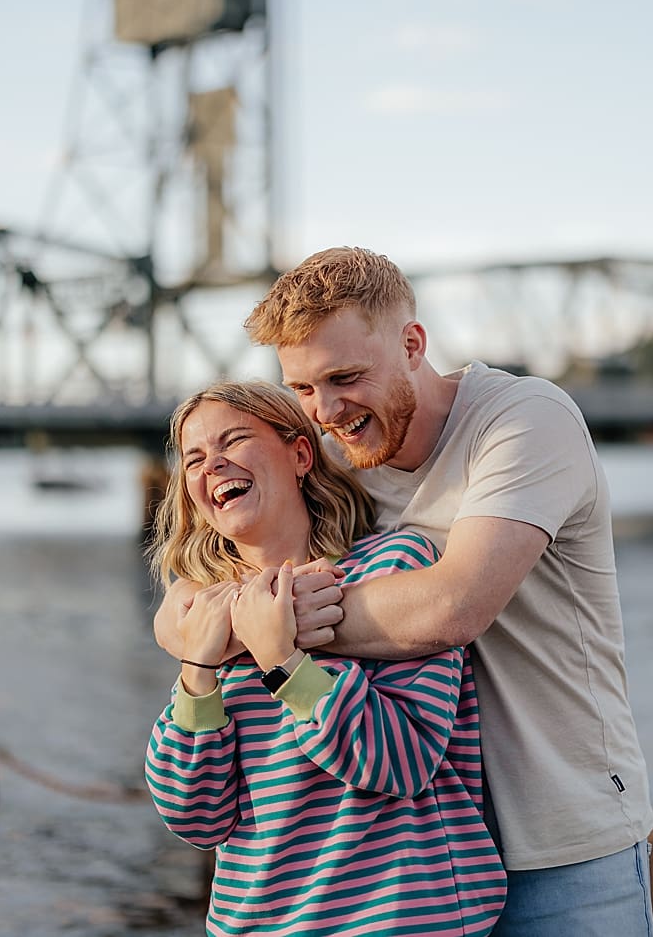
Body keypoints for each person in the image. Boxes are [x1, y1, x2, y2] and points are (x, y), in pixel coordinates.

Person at [156, 249, 653, 937]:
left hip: (561, 838)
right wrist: (208, 632)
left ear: (413, 345)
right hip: (423, 852)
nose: (326, 411)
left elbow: (453, 605)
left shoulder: (522, 421)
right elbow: (186, 603)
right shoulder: (343, 452)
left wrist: (269, 628)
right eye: (302, 388)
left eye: (345, 377)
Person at [145, 377, 505, 937]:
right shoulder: (209, 616)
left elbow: (404, 762)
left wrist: (283, 658)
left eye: (234, 441)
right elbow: (197, 817)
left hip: (401, 919)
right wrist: (198, 670)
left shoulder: (393, 567)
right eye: (194, 459)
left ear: (300, 455)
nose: (211, 465)